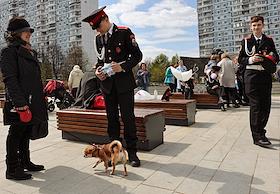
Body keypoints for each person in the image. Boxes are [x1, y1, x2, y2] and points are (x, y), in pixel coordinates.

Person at [82, 6, 142, 167]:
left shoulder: (124, 32)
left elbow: (137, 56)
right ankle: (114, 152)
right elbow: (100, 60)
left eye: (99, 27)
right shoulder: (98, 38)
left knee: (128, 118)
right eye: (96, 29)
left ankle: (133, 152)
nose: (98, 31)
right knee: (112, 120)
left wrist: (122, 67)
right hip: (107, 85)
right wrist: (98, 71)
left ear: (106, 19)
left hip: (124, 84)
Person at [0, 17, 48, 180]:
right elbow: (10, 79)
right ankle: (12, 169)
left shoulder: (29, 51)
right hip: (18, 102)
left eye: (28, 31)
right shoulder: (8, 52)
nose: (28, 34)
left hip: (31, 100)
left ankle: (25, 162)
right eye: (24, 31)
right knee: (15, 133)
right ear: (15, 34)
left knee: (26, 132)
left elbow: (34, 80)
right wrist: (20, 103)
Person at [238, 16, 279, 147]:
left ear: (263, 26)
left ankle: (261, 131)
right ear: (251, 27)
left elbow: (276, 56)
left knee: (265, 105)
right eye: (254, 25)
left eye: (259, 25)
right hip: (251, 76)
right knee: (255, 105)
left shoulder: (269, 40)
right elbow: (240, 59)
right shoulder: (246, 41)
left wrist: (267, 58)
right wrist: (250, 60)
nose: (256, 27)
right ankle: (257, 137)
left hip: (265, 75)